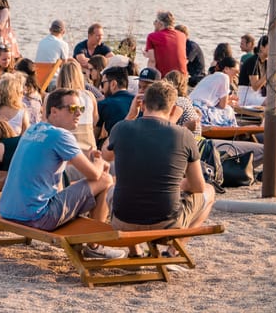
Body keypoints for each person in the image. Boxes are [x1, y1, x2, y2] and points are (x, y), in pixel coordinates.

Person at [0, 88, 122, 258]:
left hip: (8, 210)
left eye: (81, 109)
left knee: (85, 183)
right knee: (106, 179)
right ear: (54, 111)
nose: (78, 113)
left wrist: (90, 160)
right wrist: (100, 162)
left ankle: (92, 239)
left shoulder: (33, 130)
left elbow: (56, 160)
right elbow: (93, 175)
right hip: (37, 216)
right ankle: (95, 246)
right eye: (72, 109)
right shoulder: (61, 135)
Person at [102, 80, 215, 232]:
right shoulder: (183, 135)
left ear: (142, 104)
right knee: (209, 190)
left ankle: (135, 251)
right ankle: (174, 250)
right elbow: (198, 186)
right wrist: (176, 185)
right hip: (167, 222)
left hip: (124, 221)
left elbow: (106, 154)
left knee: (111, 189)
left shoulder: (121, 128)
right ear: (173, 108)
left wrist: (130, 115)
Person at [55, 59, 98, 154]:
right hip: (89, 149)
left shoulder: (53, 97)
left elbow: (46, 122)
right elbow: (95, 121)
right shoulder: (89, 96)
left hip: (65, 150)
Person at [189, 57, 239, 127]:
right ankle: (230, 128)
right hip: (201, 110)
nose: (237, 75)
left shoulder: (210, 76)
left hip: (190, 108)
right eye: (236, 72)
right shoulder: (224, 77)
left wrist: (228, 100)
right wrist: (229, 102)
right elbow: (222, 106)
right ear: (226, 69)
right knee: (228, 109)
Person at [96, 64, 134, 145]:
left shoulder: (104, 104)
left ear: (113, 84)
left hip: (116, 148)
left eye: (103, 84)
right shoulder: (138, 101)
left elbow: (95, 135)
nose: (101, 89)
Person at [145, 11, 187, 76]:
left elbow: (152, 61)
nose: (154, 23)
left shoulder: (152, 36)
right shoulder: (182, 35)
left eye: (156, 21)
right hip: (182, 78)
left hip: (164, 78)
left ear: (161, 23)